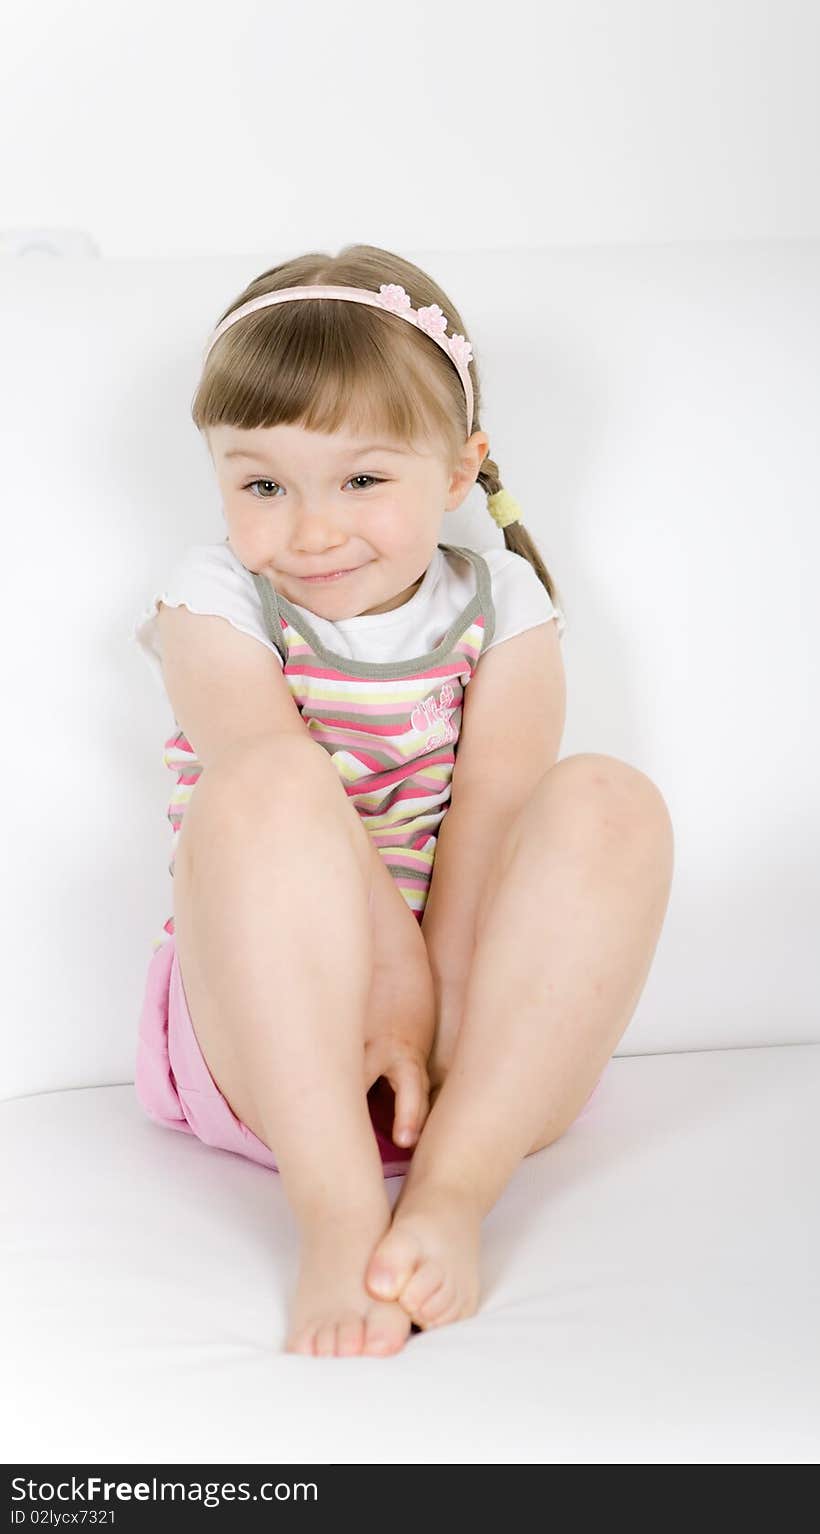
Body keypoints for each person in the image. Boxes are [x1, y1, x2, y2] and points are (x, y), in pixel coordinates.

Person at [132, 242, 675, 1359]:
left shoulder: (506, 600)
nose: (312, 528)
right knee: (276, 776)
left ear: (460, 466)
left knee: (609, 800)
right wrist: (386, 988)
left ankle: (452, 1192)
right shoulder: (213, 597)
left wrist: (443, 1019)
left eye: (363, 479)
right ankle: (337, 1214)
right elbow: (262, 771)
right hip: (270, 1043)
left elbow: (491, 815)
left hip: (476, 1043)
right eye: (263, 483)